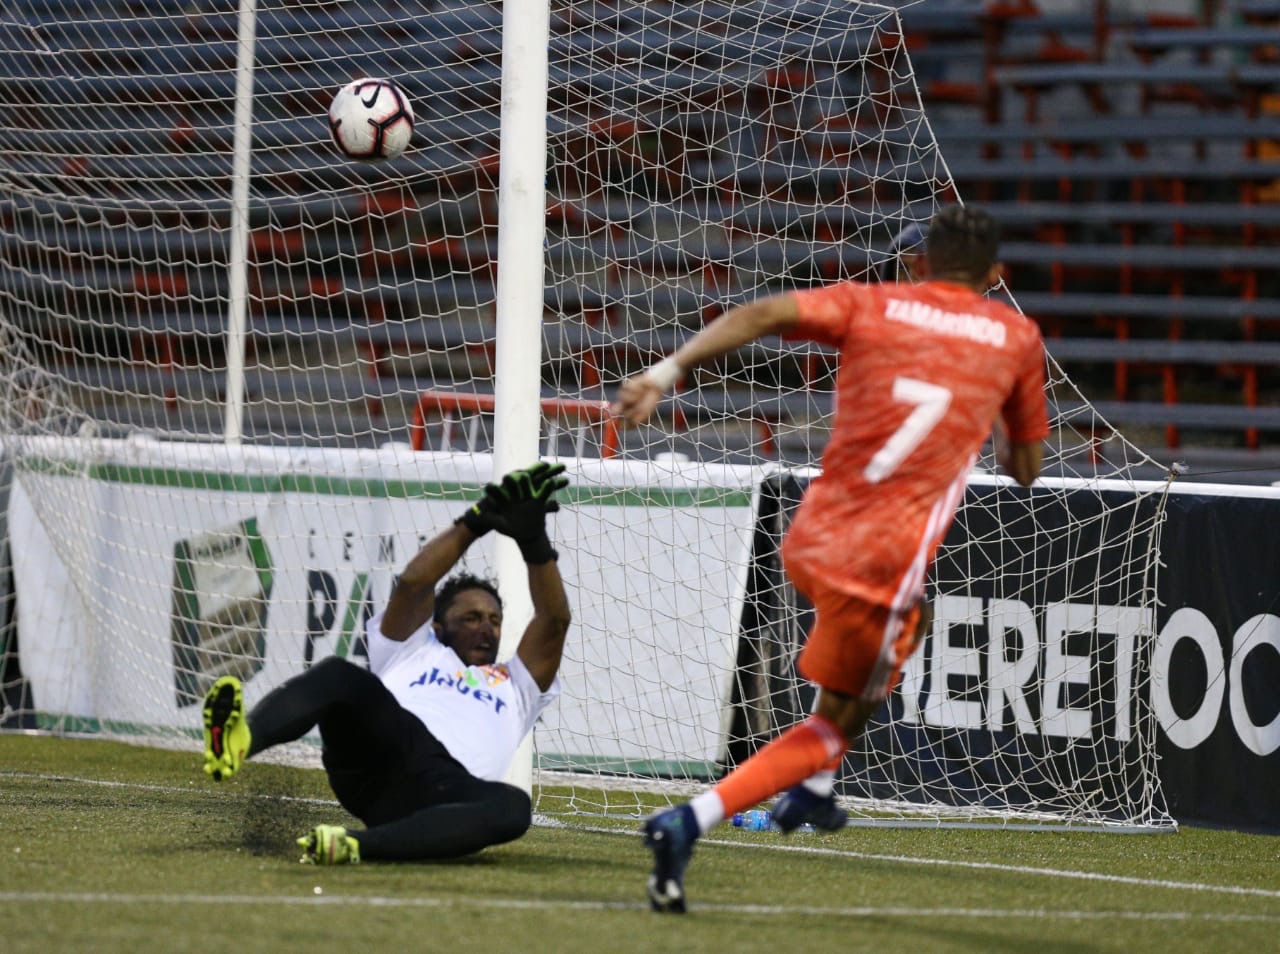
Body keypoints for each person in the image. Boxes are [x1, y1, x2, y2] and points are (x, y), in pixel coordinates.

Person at [613, 204, 1048, 913]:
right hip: (883, 560)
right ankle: (694, 819)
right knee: (834, 723)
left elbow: (759, 315)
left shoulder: (871, 304)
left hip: (813, 536)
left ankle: (812, 795)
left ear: (921, 262)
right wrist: (994, 426)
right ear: (997, 275)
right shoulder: (1016, 337)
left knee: (902, 635)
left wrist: (666, 371)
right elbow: (1025, 467)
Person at [200, 461, 572, 864]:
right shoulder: (414, 648)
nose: (487, 628)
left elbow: (554, 620)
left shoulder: (515, 684)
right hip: (381, 756)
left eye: (495, 620)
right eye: (471, 617)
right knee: (338, 673)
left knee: (514, 807)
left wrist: (535, 542)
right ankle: (237, 742)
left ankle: (353, 845)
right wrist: (475, 522)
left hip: (449, 792)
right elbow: (415, 582)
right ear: (438, 626)